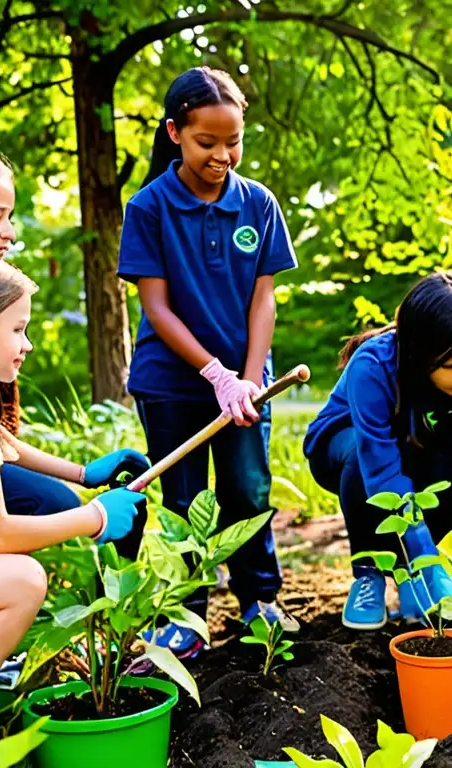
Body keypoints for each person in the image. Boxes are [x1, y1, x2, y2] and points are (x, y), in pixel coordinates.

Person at [0, 253, 142, 736]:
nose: (28, 344)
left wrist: (85, 473)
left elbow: (2, 443)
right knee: (21, 579)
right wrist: (96, 517)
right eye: (18, 330)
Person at [118, 66, 298, 654]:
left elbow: (264, 297)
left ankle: (258, 603)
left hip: (246, 384)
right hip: (172, 384)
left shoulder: (259, 204)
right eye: (207, 142)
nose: (223, 154)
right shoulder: (148, 208)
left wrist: (246, 378)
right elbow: (157, 308)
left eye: (234, 141)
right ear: (174, 133)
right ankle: (186, 616)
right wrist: (213, 373)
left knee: (247, 491)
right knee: (186, 500)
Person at [0, 146, 150, 552]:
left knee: (56, 502)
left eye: (9, 215)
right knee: (28, 527)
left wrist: (81, 472)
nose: (9, 230)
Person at [304, 272, 452, 630]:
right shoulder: (373, 366)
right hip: (347, 453)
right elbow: (381, 470)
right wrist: (424, 556)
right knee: (362, 456)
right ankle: (369, 575)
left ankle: (410, 566)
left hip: (420, 444)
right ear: (420, 353)